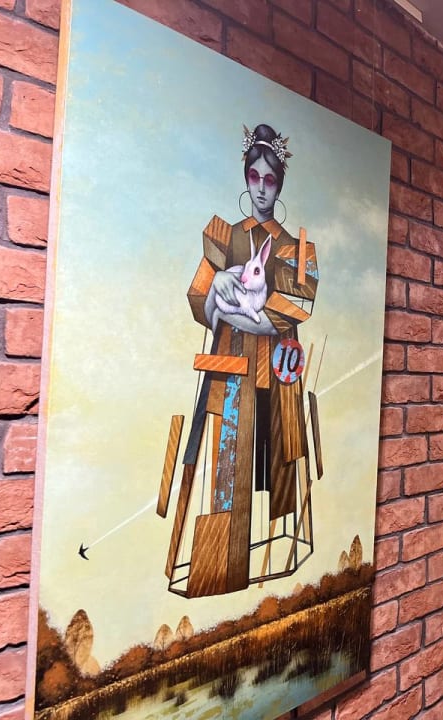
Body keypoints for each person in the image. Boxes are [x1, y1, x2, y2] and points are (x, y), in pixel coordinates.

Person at [165, 123, 317, 599]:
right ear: (246, 177)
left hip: (278, 373)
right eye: (255, 176)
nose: (261, 188)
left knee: (280, 460)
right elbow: (198, 297)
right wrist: (217, 288)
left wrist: (238, 310)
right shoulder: (224, 235)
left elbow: (294, 308)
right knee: (226, 465)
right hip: (230, 369)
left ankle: (277, 552)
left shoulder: (296, 248)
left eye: (270, 179)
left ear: (280, 184)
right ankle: (220, 568)